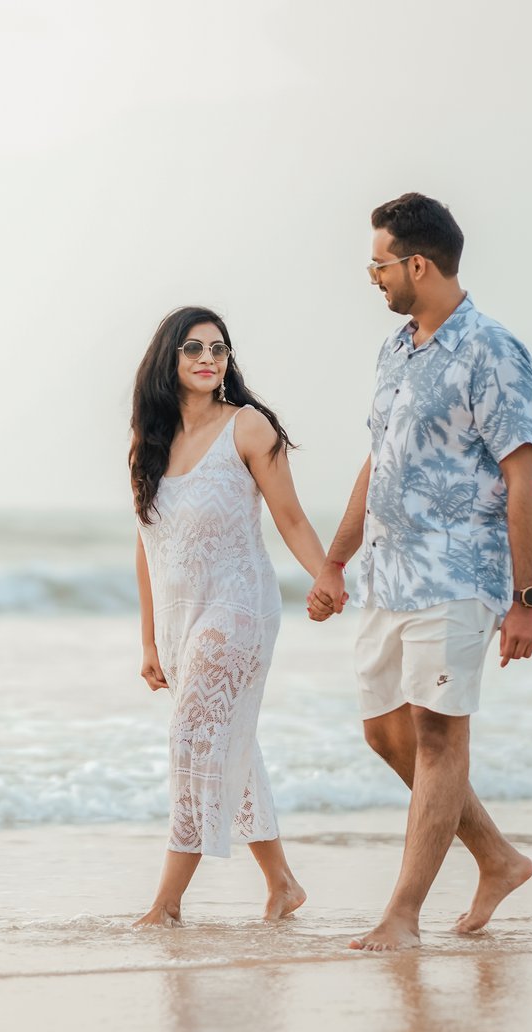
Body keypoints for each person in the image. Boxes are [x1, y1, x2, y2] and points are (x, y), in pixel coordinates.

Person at [307, 193, 532, 951]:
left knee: (440, 737)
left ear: (418, 263)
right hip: (386, 573)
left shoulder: (493, 349)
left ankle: (401, 914)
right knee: (386, 735)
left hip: (458, 571)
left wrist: (527, 599)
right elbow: (379, 464)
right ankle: (498, 859)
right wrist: (335, 559)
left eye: (378, 263)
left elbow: (524, 476)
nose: (372, 277)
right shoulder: (397, 348)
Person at [130, 306, 337, 926]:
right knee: (234, 749)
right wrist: (148, 643)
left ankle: (167, 903)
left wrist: (326, 574)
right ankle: (282, 883)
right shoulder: (150, 442)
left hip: (239, 607)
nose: (207, 358)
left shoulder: (247, 427)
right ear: (168, 358)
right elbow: (146, 546)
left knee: (192, 738)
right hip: (178, 619)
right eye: (193, 348)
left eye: (218, 349)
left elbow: (291, 518)